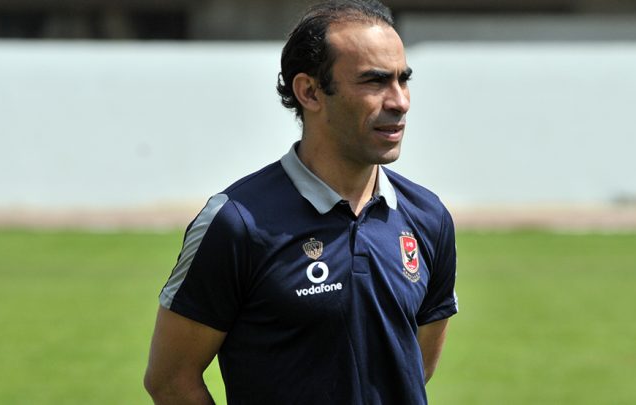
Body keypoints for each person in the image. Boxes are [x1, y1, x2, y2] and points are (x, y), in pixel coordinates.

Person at [144, 1, 458, 403]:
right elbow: (171, 380)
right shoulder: (237, 223)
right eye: (374, 81)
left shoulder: (428, 218)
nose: (399, 101)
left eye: (403, 80)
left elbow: (412, 368)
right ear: (309, 91)